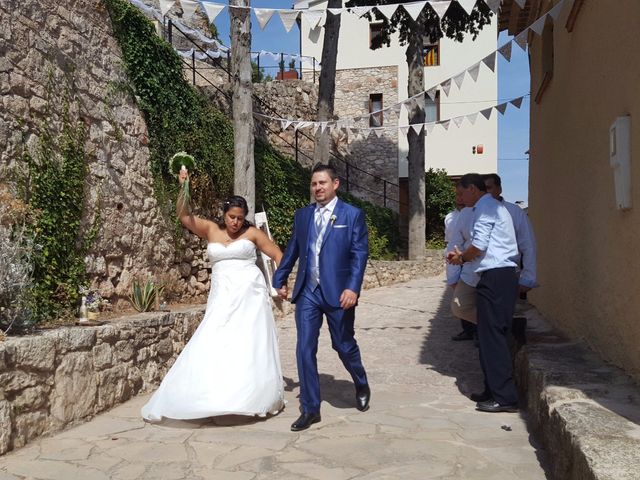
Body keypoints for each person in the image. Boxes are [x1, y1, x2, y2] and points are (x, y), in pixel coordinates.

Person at [141, 168, 285, 421]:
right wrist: (183, 187)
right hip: (222, 294)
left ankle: (251, 396)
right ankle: (213, 394)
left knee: (249, 343)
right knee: (215, 338)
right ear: (224, 214)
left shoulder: (252, 234)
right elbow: (184, 216)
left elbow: (278, 255)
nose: (235, 222)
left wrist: (280, 283)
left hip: (250, 294)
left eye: (240, 218)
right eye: (231, 217)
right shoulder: (209, 229)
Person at [273, 163, 370, 432]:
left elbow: (359, 254)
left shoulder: (352, 215)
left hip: (340, 293)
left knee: (343, 344)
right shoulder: (302, 216)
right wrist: (279, 279)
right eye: (314, 184)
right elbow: (293, 248)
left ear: (335, 184)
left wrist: (353, 288)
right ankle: (311, 408)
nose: (317, 188)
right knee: (304, 347)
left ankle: (360, 381)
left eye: (322, 183)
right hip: (308, 292)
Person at [447, 173, 520, 413]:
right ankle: (492, 389)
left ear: (473, 190)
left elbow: (479, 246)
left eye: (461, 192)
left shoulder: (486, 207)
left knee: (493, 338)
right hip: (495, 276)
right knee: (488, 337)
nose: (459, 198)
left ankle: (505, 397)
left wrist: (460, 258)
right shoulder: (485, 207)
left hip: (497, 276)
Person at [445, 185, 478, 342]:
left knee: (472, 298)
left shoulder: (476, 213)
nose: (459, 198)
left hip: (470, 259)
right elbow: (449, 241)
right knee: (459, 298)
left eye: (461, 194)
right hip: (455, 260)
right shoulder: (449, 217)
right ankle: (468, 330)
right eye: (456, 195)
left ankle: (480, 332)